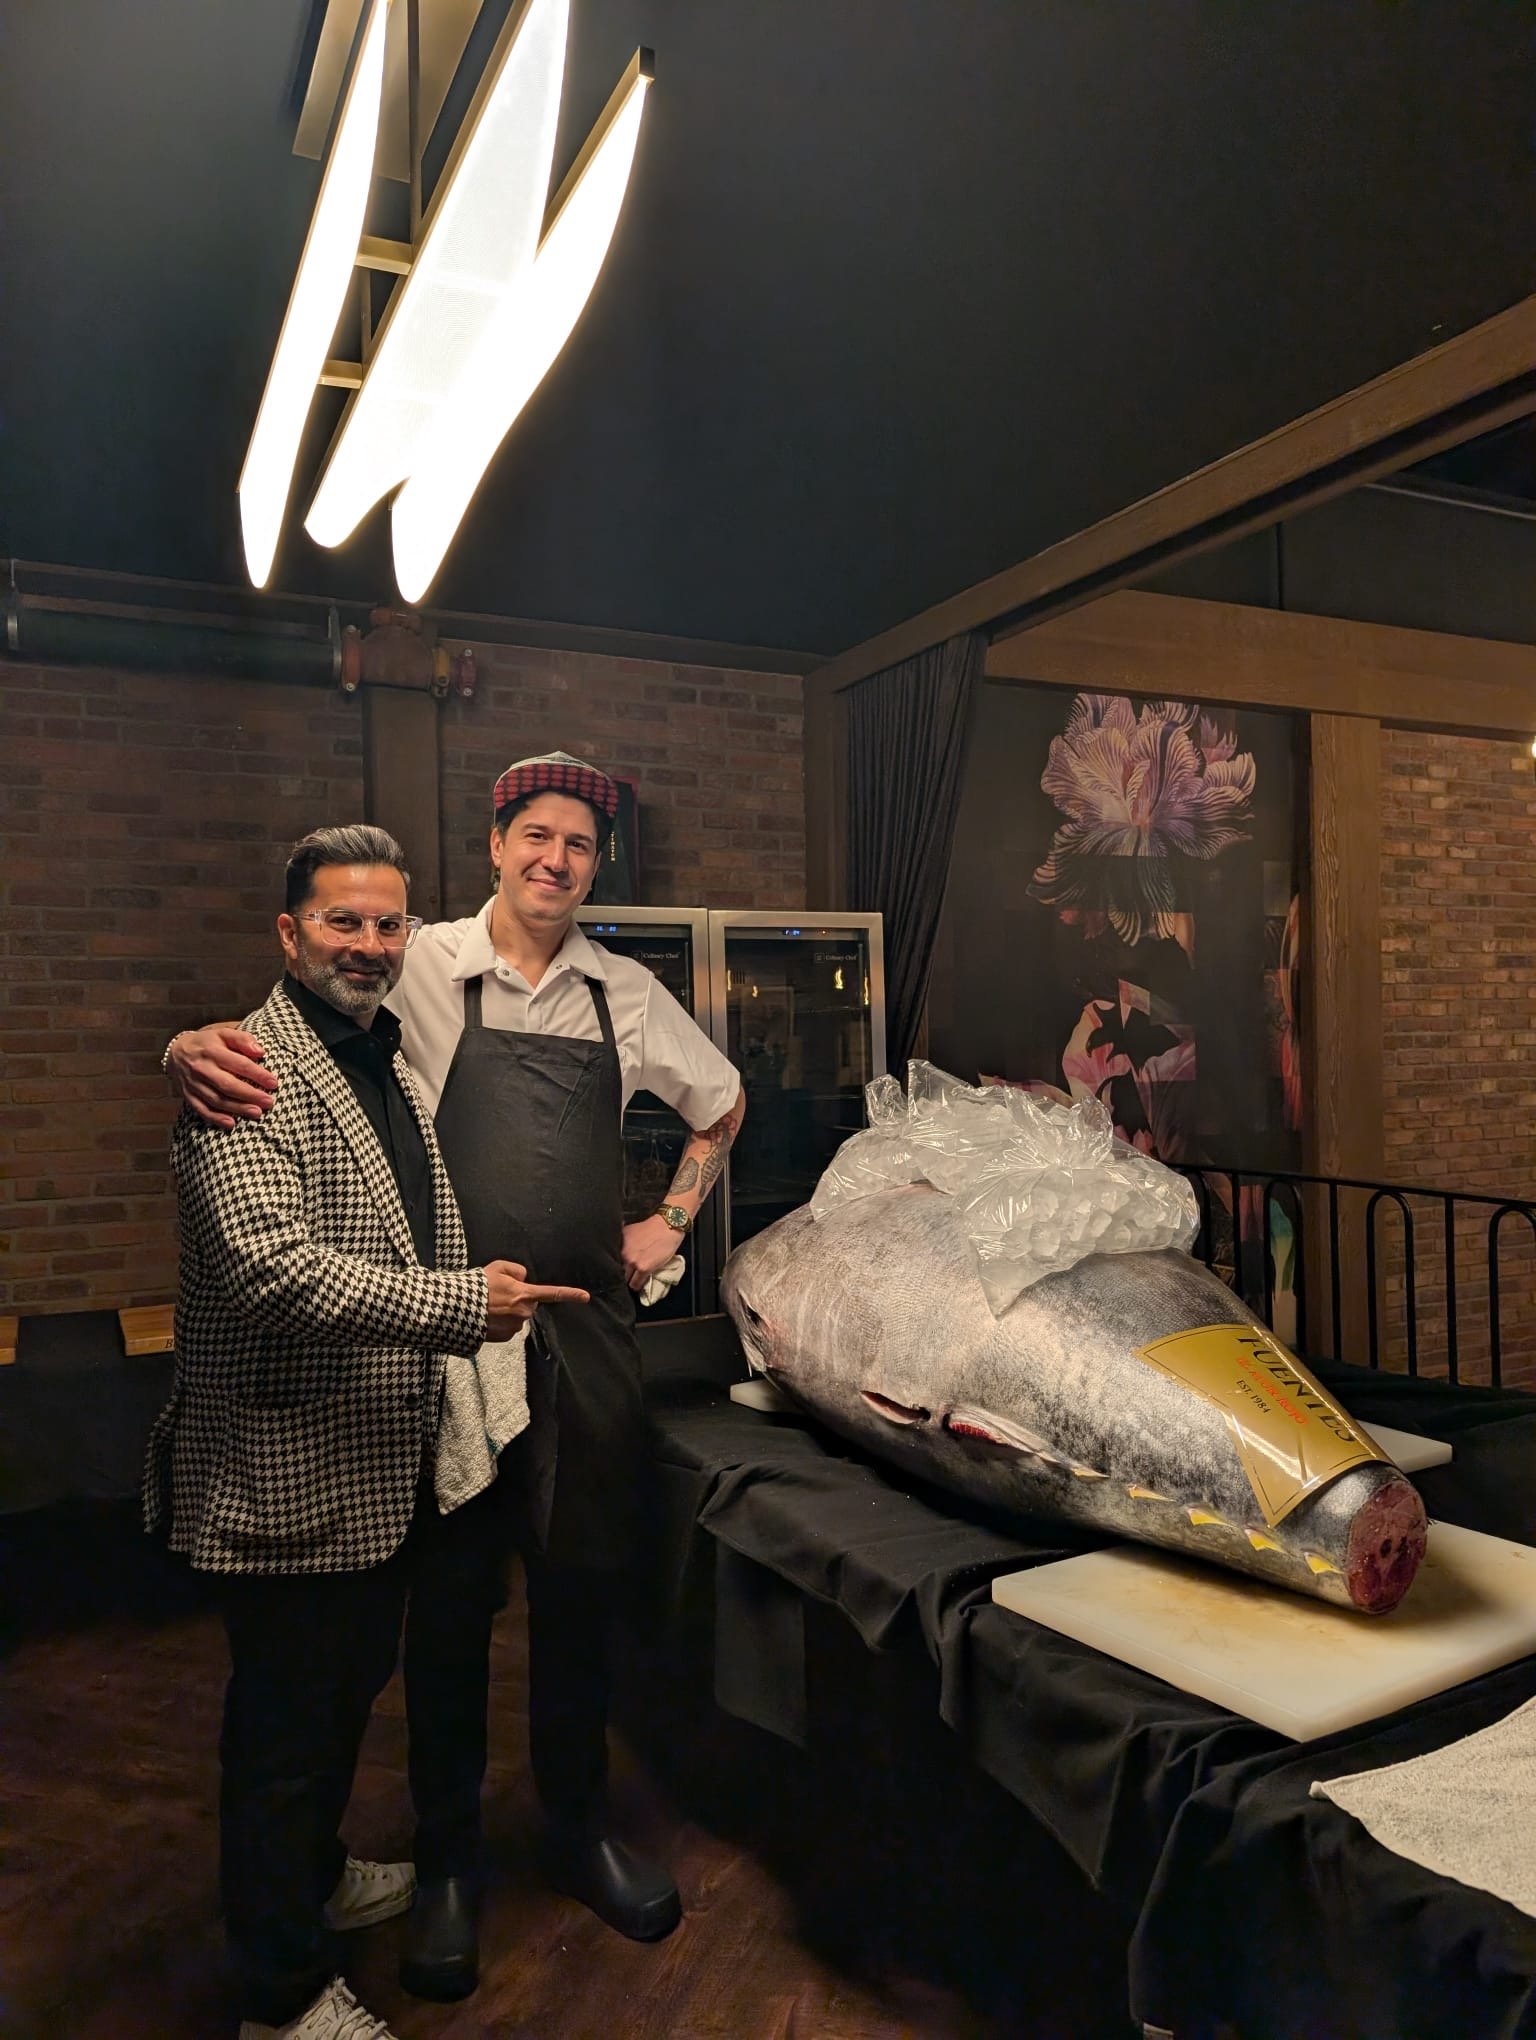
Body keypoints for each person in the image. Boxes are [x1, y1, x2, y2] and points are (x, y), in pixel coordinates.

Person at [166, 753, 746, 1994]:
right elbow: (294, 1026)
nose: (556, 860)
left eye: (580, 846)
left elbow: (724, 1104)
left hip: (587, 1337)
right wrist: (183, 1043)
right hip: (443, 1341)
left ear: (598, 867)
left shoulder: (627, 990)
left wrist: (673, 1224)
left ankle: (579, 1826)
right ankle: (445, 1861)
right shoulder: (412, 956)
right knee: (446, 1615)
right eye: (536, 835)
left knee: (581, 1602)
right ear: (494, 844)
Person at [144, 825, 586, 2040]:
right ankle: (279, 2001)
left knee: (338, 1699)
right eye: (344, 921)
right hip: (284, 1463)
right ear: (289, 934)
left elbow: (387, 1217)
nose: (372, 944)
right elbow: (268, 1271)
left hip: (368, 1468)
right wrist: (464, 1304)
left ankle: (321, 1879)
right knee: (285, 1733)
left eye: (389, 924)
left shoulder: (374, 1047)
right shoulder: (243, 1066)